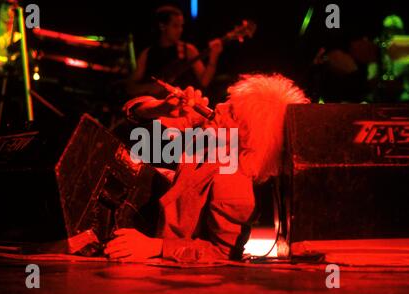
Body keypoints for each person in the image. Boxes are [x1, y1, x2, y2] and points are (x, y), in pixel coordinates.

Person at [104, 74, 309, 263]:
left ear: (249, 136)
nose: (219, 106)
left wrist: (156, 247)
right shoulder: (212, 131)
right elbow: (132, 111)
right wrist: (161, 107)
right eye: (228, 103)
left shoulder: (234, 185)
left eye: (232, 112)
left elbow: (223, 253)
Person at [128, 5, 223, 97]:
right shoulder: (148, 53)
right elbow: (130, 87)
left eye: (181, 26)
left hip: (184, 109)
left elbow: (204, 82)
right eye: (175, 26)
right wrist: (150, 87)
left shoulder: (188, 50)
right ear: (162, 26)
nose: (180, 30)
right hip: (157, 110)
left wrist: (213, 57)